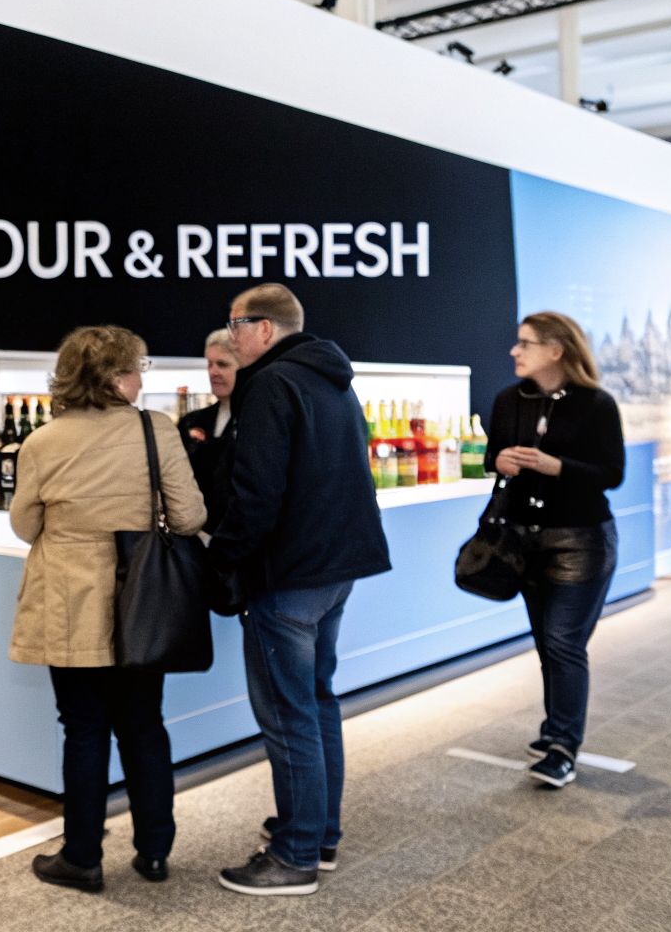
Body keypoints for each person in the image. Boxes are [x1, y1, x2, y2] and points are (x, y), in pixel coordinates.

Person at [204, 283, 390, 896]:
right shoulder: (332, 378)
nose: (230, 335)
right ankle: (319, 833)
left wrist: (221, 564)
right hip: (334, 571)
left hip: (288, 576)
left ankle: (295, 856)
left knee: (288, 716)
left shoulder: (270, 386)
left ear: (266, 328)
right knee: (316, 703)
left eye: (236, 324)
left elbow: (257, 497)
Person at [8, 325, 205, 892]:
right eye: (138, 368)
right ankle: (155, 853)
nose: (142, 379)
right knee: (144, 726)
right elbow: (189, 517)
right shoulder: (156, 430)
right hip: (141, 598)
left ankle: (82, 857)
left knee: (83, 729)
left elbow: (25, 525)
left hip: (68, 600)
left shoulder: (43, 442)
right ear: (119, 377)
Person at [485, 312, 626, 788]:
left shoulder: (597, 404)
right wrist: (500, 459)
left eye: (525, 343)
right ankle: (553, 730)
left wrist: (555, 466)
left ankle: (564, 746)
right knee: (548, 642)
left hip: (580, 540)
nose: (514, 351)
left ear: (556, 350)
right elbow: (493, 454)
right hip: (523, 541)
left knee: (564, 641)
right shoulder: (509, 400)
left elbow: (612, 474)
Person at [178, 329, 239, 532]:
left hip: (238, 538)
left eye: (222, 364)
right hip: (197, 534)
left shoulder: (258, 421)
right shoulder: (192, 421)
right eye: (209, 365)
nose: (213, 372)